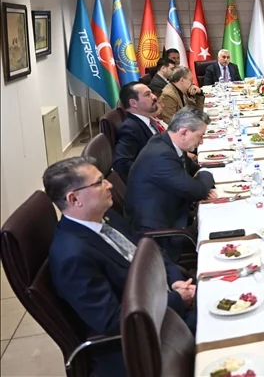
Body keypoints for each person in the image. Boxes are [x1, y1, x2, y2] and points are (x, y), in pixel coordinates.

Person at [46, 156, 196, 377]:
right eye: (99, 182)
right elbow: (114, 322)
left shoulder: (104, 217)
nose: (109, 184)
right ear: (74, 198)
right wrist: (176, 300)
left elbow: (148, 250)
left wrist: (175, 279)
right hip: (147, 339)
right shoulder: (72, 257)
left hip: (165, 301)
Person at [126, 107, 217, 261]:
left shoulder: (166, 142)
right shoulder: (161, 156)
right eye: (200, 136)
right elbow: (199, 190)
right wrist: (204, 176)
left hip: (175, 211)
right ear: (184, 132)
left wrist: (200, 177)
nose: (201, 141)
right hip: (162, 233)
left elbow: (195, 170)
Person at [112, 82, 161, 182]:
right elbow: (121, 163)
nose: (154, 97)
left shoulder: (147, 121)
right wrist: (155, 172)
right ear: (133, 103)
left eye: (151, 93)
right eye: (147, 94)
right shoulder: (130, 128)